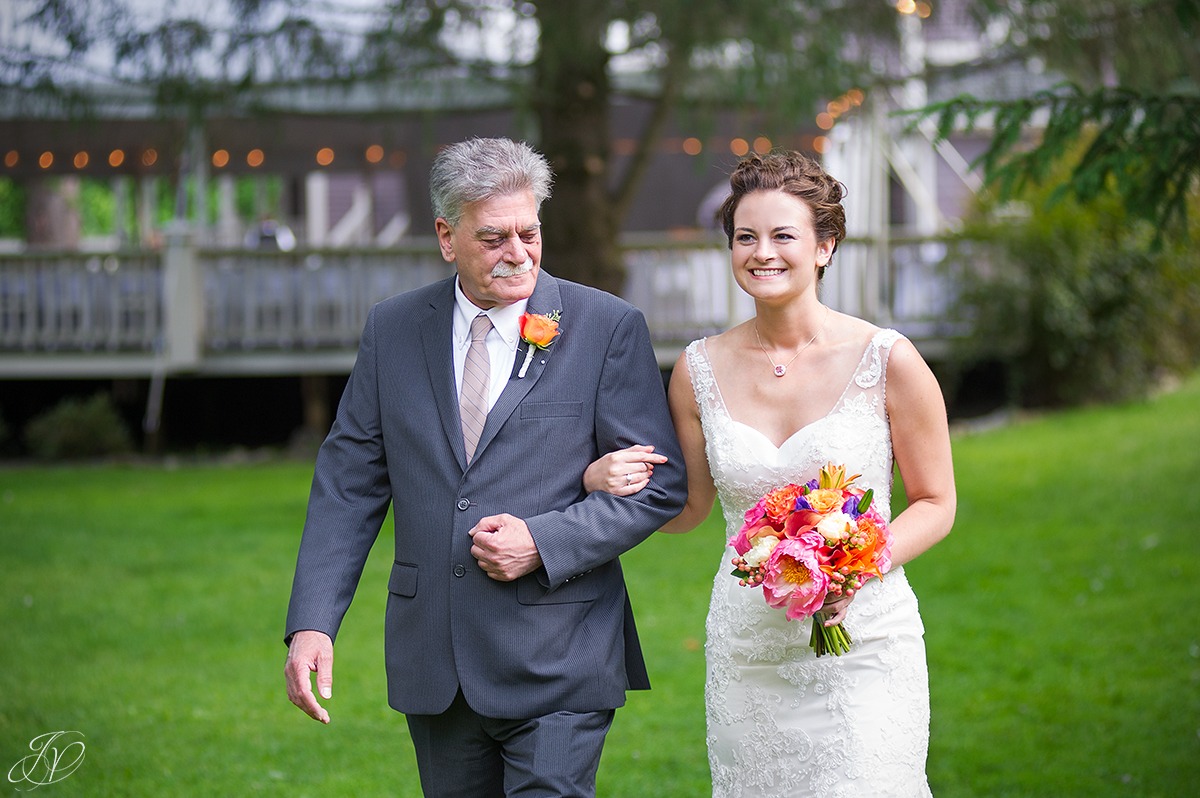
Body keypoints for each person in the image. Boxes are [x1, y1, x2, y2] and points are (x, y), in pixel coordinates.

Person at [284, 137, 687, 797]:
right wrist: (313, 622)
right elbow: (348, 486)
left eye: (529, 232)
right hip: (435, 659)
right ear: (447, 237)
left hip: (560, 652)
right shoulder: (393, 330)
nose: (519, 253)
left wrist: (544, 540)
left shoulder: (604, 327)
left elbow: (659, 484)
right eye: (494, 238)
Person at [586, 150, 956, 796]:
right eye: (745, 237)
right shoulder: (697, 369)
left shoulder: (887, 359)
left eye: (784, 235)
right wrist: (600, 482)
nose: (762, 252)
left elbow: (935, 501)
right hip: (748, 649)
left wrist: (856, 568)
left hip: (863, 641)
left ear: (825, 247)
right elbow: (690, 509)